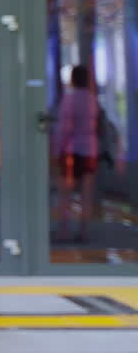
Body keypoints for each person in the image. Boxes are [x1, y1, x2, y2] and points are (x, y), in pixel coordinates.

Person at [52, 65, 100, 243]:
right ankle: (84, 232)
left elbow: (64, 128)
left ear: (72, 79)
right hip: (90, 150)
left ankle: (63, 231)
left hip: (71, 150)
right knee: (86, 192)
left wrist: (57, 150)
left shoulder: (69, 99)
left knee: (65, 192)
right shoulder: (92, 100)